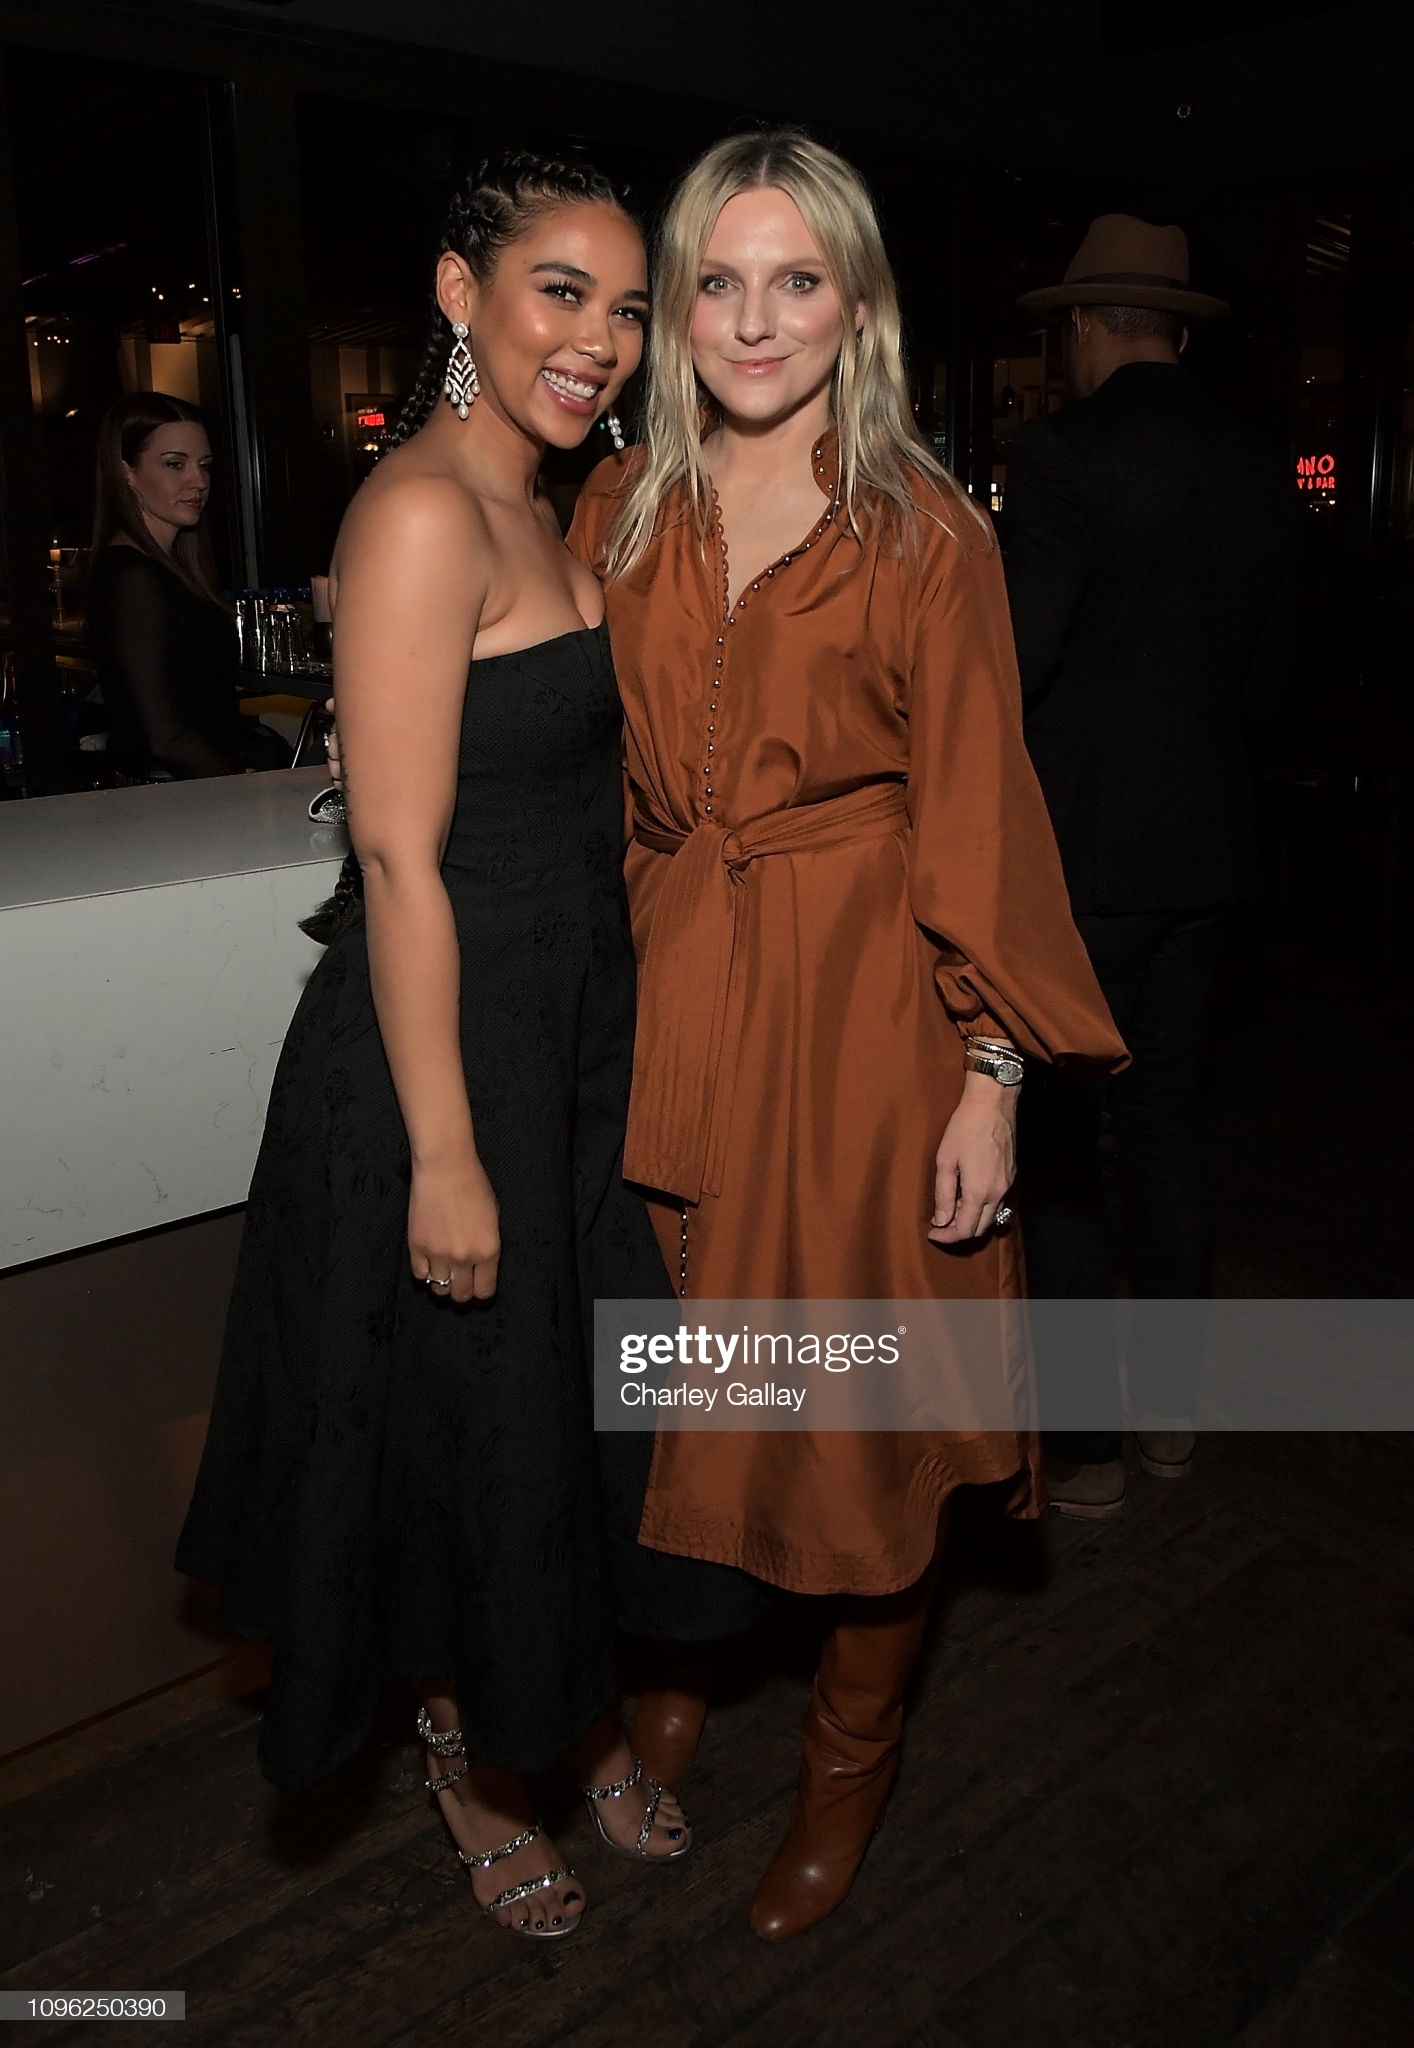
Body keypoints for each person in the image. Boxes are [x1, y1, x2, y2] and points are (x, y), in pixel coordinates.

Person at [176, 153, 751, 1943]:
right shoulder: (421, 511)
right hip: (448, 1063)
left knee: (562, 1422)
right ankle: (470, 1760)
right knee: (464, 1437)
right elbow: (397, 857)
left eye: (626, 308)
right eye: (558, 292)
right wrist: (442, 1150)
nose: (598, 339)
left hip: (562, 1044)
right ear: (456, 293)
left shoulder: (544, 505)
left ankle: (562, 1715)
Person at [568, 129, 1127, 1940]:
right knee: (687, 1369)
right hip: (669, 986)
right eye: (717, 282)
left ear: (856, 304)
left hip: (865, 1017)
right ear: (675, 310)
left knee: (861, 1414)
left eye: (795, 279)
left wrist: (991, 1078)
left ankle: (845, 1759)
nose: (755, 319)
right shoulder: (618, 508)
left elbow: (979, 818)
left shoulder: (922, 531)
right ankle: (681, 1655)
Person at [1003, 216, 1300, 1516]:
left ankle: (1084, 1449)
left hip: (1082, 857)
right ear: (1175, 329)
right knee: (1167, 1127)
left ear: (1084, 325)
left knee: (1064, 1143)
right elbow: (1267, 685)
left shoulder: (1061, 454)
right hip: (1208, 850)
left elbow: (1012, 666)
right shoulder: (1254, 469)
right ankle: (1170, 1416)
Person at [86, 393, 286, 778]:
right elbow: (163, 737)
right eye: (175, 464)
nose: (199, 481)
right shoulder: (133, 576)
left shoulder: (167, 568)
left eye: (204, 465)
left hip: (193, 786)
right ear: (126, 472)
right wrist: (242, 782)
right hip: (174, 795)